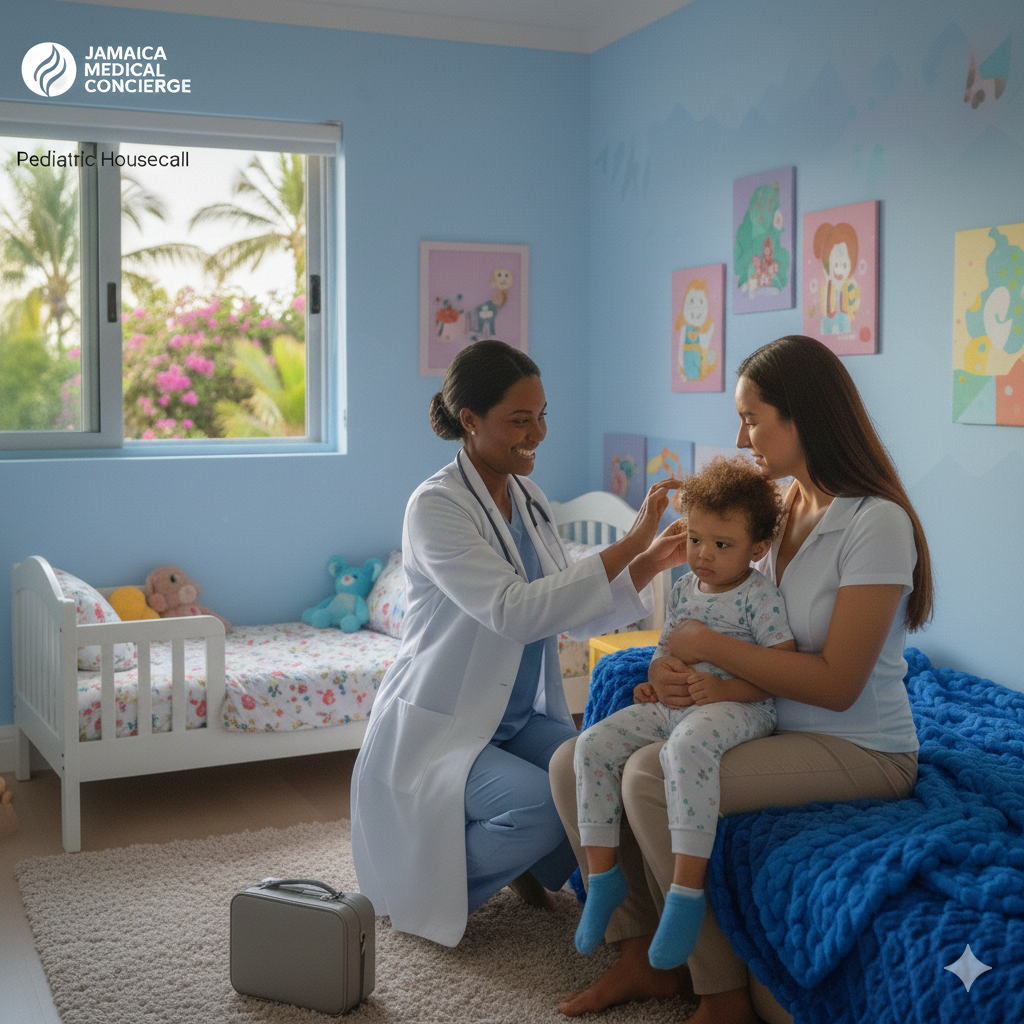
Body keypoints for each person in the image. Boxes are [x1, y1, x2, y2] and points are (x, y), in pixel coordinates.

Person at [551, 335, 932, 1024]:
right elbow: (728, 608)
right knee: (571, 759)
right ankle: (640, 956)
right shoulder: (779, 510)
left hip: (861, 747)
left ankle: (722, 991)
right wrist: (674, 667)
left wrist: (711, 647)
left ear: (803, 416)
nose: (740, 434)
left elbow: (839, 682)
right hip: (772, 716)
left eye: (752, 416)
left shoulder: (877, 524)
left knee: (649, 776)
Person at [351, 339, 686, 948]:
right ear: (469, 420)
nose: (538, 433)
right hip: (443, 719)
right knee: (536, 807)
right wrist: (634, 539)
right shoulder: (436, 507)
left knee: (594, 769)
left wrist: (653, 560)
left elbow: (567, 609)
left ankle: (563, 886)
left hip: (512, 714)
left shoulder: (528, 497)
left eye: (542, 416)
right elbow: (513, 612)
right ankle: (426, 885)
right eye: (519, 420)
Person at [572, 457, 796, 971]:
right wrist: (658, 676)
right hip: (680, 705)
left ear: (757, 549)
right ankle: (603, 878)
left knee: (686, 749)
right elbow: (664, 650)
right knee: (592, 745)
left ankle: (685, 893)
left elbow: (780, 671)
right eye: (696, 539)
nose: (703, 555)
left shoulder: (759, 596)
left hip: (742, 707)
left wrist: (722, 687)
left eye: (722, 545)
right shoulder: (681, 590)